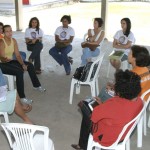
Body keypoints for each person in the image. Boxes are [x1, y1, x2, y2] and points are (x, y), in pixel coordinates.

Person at [71, 70, 143, 150]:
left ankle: (82, 146)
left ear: (120, 90)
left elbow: (94, 117)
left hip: (107, 138)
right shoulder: (140, 101)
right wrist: (102, 104)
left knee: (85, 107)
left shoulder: (114, 104)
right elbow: (115, 112)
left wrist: (98, 105)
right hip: (123, 133)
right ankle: (82, 145)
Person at [0, 25, 46, 105]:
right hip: (2, 64)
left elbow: (17, 55)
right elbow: (2, 57)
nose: (9, 33)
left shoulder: (13, 40)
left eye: (10, 30)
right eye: (7, 31)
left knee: (30, 66)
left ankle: (36, 85)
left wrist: (23, 64)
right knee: (19, 71)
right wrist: (5, 59)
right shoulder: (1, 42)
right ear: (3, 33)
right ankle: (22, 97)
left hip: (10, 61)